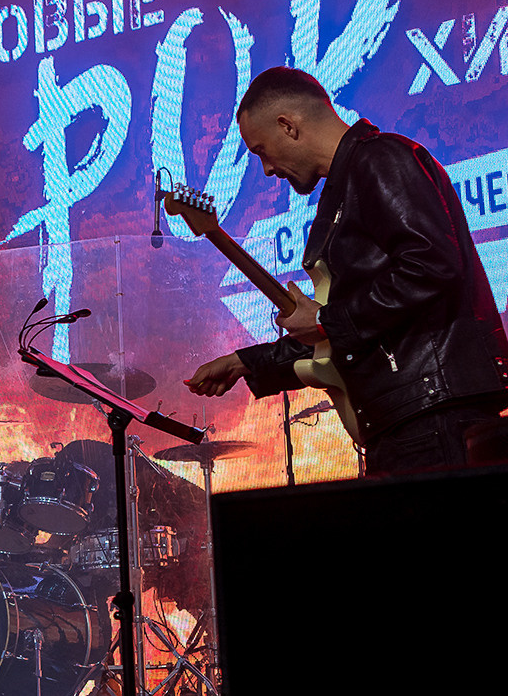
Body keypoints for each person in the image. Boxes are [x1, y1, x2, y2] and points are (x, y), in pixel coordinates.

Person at [186, 67, 508, 475]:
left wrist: (324, 318)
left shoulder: (381, 158)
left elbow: (431, 264)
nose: (266, 169)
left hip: (432, 412)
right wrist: (246, 362)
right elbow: (349, 329)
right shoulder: (343, 188)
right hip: (409, 414)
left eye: (262, 150)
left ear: (288, 126)